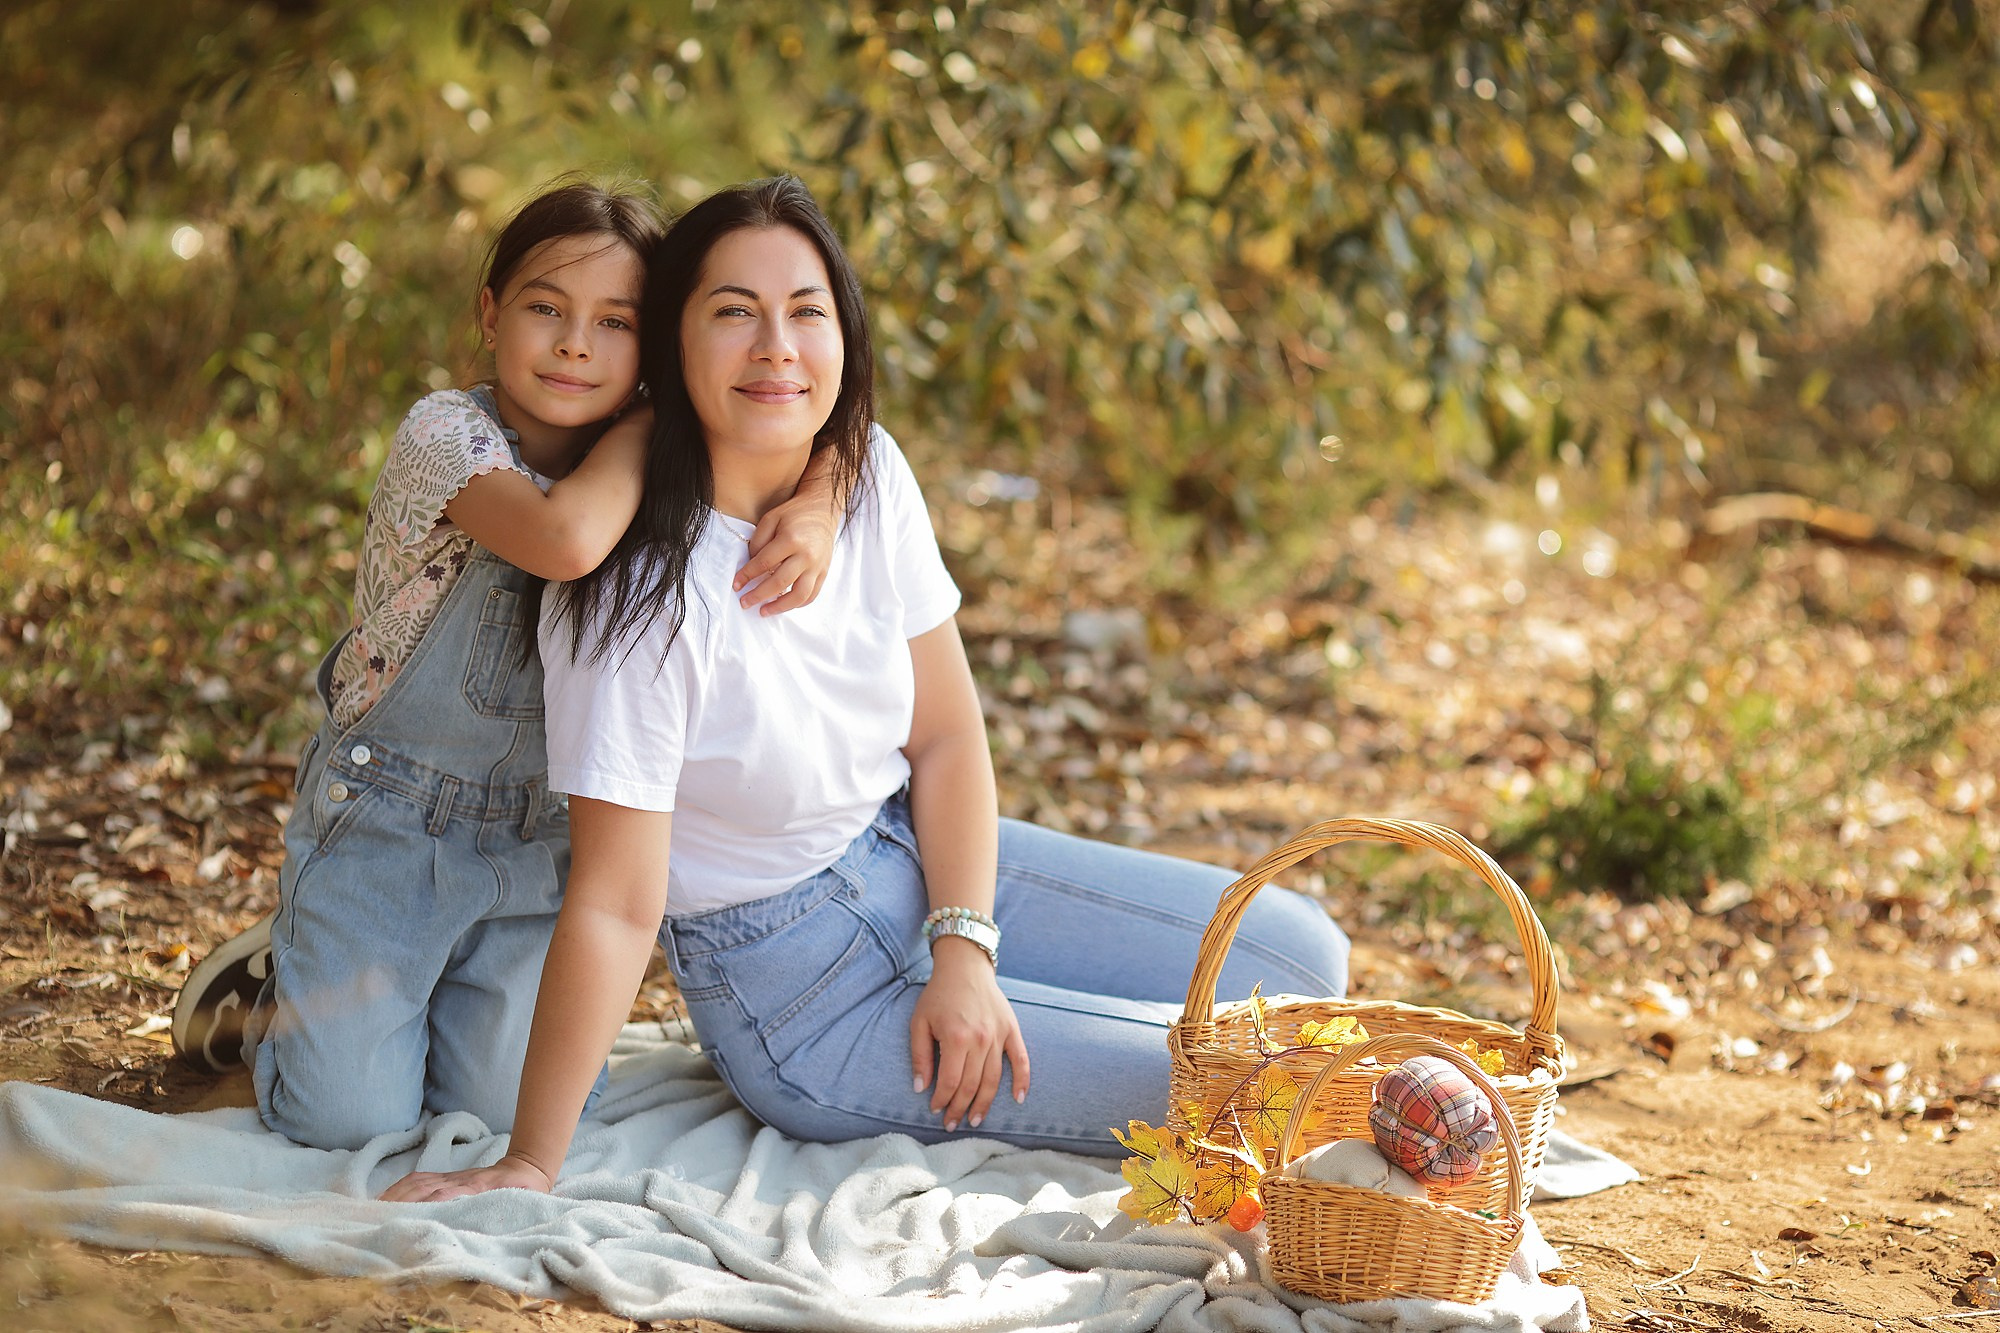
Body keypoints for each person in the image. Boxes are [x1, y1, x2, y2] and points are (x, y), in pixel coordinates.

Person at [383, 176, 1348, 1200]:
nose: (776, 348)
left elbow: (946, 738)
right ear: (671, 346)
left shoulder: (867, 474)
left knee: (1302, 956)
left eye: (806, 312)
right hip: (798, 990)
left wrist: (964, 951)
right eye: (733, 314)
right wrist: (531, 1159)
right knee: (1269, 1080)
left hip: (909, 853)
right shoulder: (633, 600)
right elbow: (618, 904)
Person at [169, 179, 843, 1150]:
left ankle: (399, 1004)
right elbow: (563, 540)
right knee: (346, 1117)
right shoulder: (446, 437)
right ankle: (283, 984)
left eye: (616, 323)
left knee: (498, 1107)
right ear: (490, 315)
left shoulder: (656, 446)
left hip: (541, 841)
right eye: (546, 309)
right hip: (388, 825)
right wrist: (653, 423)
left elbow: (833, 432)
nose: (576, 345)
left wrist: (820, 496)